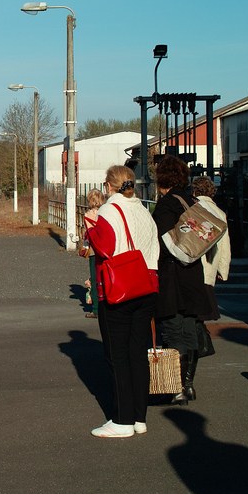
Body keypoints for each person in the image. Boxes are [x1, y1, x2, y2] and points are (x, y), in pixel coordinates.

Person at [84, 165, 160, 438]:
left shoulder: (108, 210)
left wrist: (90, 231)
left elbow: (105, 248)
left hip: (119, 289)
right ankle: (139, 417)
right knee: (138, 354)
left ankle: (122, 420)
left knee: (117, 356)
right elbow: (154, 247)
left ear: (108, 186)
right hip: (147, 287)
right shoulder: (143, 210)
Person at [153, 156, 211, 405]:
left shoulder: (166, 205)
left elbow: (163, 242)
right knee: (189, 329)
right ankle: (188, 385)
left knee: (174, 330)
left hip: (172, 275)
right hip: (193, 274)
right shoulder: (191, 202)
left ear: (161, 179)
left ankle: (176, 387)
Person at [191, 175, 231, 366]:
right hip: (209, 269)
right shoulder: (220, 213)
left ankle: (195, 348)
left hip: (193, 267)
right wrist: (223, 269)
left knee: (192, 315)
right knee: (202, 312)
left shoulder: (193, 210)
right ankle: (199, 346)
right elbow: (225, 246)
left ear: (195, 191)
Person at [80, 188, 106, 318]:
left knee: (95, 279)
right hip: (106, 249)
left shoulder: (88, 215)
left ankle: (96, 309)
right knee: (106, 277)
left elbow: (88, 234)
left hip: (94, 250)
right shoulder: (106, 213)